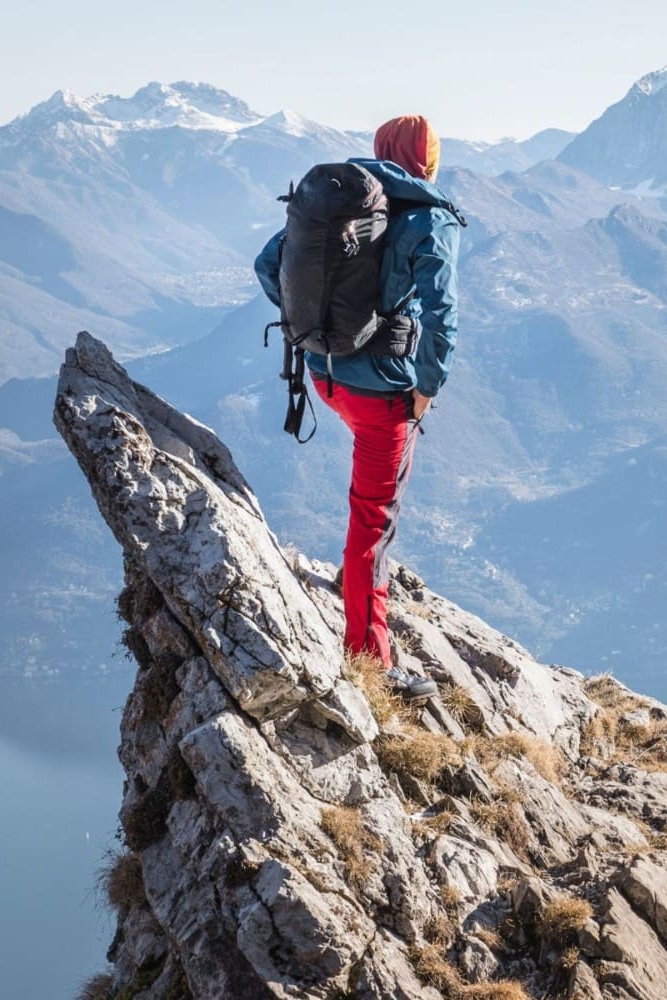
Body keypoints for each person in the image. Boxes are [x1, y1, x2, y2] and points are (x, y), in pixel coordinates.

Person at [254, 114, 464, 700]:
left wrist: (314, 333)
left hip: (323, 378)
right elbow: (442, 313)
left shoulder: (336, 201)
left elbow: (267, 265)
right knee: (372, 517)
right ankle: (372, 662)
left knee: (370, 510)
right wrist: (428, 384)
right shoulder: (428, 218)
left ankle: (358, 583)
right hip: (384, 394)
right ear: (429, 162)